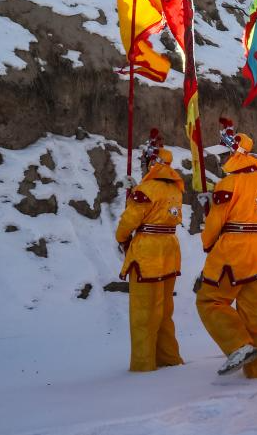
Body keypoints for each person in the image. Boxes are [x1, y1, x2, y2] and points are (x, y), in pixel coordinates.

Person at [196, 119, 257, 378]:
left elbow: (216, 222)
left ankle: (237, 345)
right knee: (254, 321)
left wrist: (208, 241)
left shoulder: (229, 183)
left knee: (210, 301)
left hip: (235, 252)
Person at [115, 129, 184, 372]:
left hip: (147, 252)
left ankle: (144, 364)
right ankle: (169, 357)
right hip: (169, 250)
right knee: (164, 311)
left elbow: (129, 222)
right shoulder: (175, 189)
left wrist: (121, 238)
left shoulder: (146, 190)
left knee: (143, 313)